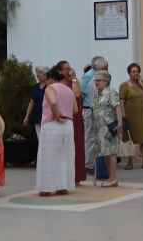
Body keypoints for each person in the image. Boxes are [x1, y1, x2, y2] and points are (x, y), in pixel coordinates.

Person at [35, 67, 76, 196]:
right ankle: (63, 186)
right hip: (68, 125)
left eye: (47, 79)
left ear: (51, 79)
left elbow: (53, 102)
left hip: (53, 124)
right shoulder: (69, 90)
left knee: (48, 156)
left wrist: (57, 115)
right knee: (64, 156)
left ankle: (46, 188)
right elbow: (75, 109)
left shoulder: (50, 88)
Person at [118, 62, 143, 170]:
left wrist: (141, 83)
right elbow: (121, 101)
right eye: (133, 71)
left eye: (137, 71)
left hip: (142, 116)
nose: (136, 73)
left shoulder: (142, 83)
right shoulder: (124, 85)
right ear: (129, 73)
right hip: (129, 116)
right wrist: (123, 116)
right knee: (129, 140)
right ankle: (129, 162)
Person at [91, 71, 124, 187]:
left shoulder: (111, 92)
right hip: (99, 128)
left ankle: (113, 179)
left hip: (110, 126)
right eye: (95, 80)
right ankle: (111, 177)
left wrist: (120, 123)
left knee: (111, 153)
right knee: (105, 153)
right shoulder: (97, 95)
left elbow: (117, 107)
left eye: (98, 80)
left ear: (106, 81)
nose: (96, 83)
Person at [80, 57, 105, 174]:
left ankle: (96, 163)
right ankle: (89, 164)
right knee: (90, 137)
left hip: (94, 109)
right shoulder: (90, 77)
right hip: (90, 110)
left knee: (96, 138)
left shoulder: (97, 78)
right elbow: (82, 90)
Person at [23, 66, 49, 138]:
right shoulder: (34, 87)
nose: (37, 74)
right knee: (40, 139)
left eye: (40, 72)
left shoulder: (50, 87)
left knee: (47, 139)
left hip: (48, 117)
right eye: (37, 72)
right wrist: (26, 116)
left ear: (45, 74)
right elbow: (32, 102)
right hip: (37, 117)